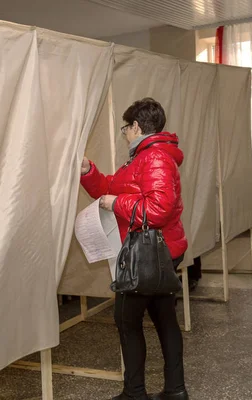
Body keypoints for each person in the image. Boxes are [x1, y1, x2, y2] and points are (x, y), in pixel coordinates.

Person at [80, 98, 189, 400]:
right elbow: (110, 185)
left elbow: (158, 209)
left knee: (127, 320)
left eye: (125, 127)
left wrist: (116, 203)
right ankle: (175, 390)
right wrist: (89, 171)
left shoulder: (153, 158)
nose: (124, 133)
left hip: (150, 253)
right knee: (163, 316)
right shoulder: (143, 156)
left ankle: (134, 393)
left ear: (137, 126)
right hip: (158, 249)